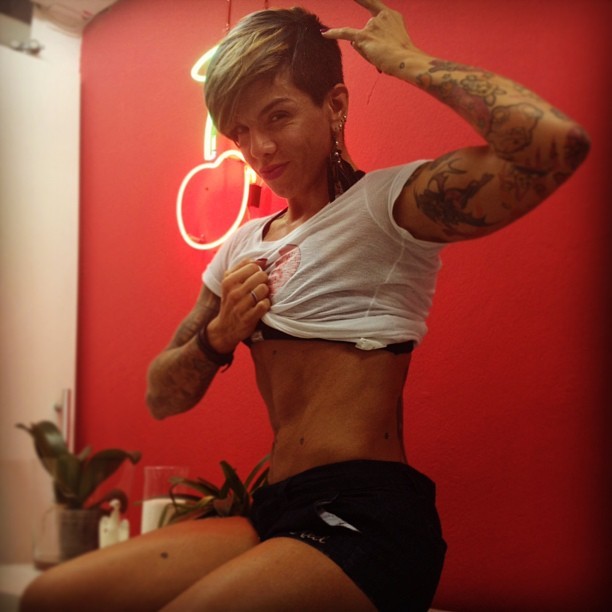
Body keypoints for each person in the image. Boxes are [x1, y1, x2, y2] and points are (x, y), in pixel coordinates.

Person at [21, 1, 589, 611]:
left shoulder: (389, 205)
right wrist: (218, 336)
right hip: (276, 509)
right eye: (240, 131)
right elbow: (162, 395)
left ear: (335, 105)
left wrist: (407, 61)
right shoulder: (241, 245)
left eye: (278, 115)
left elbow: (554, 145)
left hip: (367, 516)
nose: (259, 147)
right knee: (51, 596)